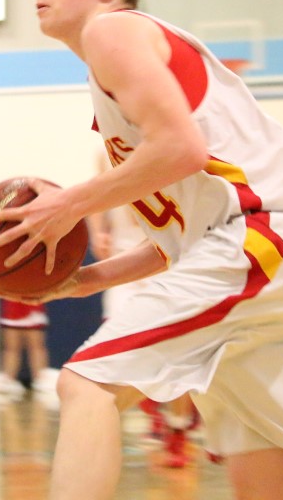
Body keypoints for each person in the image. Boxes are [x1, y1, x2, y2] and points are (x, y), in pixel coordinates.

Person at [0, 0, 283, 500]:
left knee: (87, 384)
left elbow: (182, 149)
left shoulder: (112, 31)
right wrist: (86, 280)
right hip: (269, 254)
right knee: (274, 490)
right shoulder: (119, 68)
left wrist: (69, 203)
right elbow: (177, 240)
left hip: (258, 242)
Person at [87, 156, 199, 468]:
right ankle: (154, 410)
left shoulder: (172, 148)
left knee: (176, 358)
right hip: (124, 262)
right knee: (118, 353)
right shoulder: (107, 153)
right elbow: (95, 196)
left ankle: (178, 430)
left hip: (166, 263)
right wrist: (97, 232)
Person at [0, 298, 55, 395]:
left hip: (33, 307)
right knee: (11, 347)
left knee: (36, 346)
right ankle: (8, 379)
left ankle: (41, 378)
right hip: (12, 309)